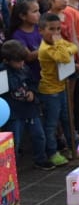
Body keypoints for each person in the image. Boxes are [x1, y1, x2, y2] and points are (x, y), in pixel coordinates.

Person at [1, 40, 51, 170]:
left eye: (23, 60)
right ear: (7, 60)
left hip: (30, 109)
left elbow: (33, 82)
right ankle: (10, 166)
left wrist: (32, 92)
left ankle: (40, 159)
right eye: (18, 61)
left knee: (39, 136)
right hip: (13, 112)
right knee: (14, 141)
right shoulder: (2, 72)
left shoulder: (25, 68)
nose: (22, 64)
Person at [38, 12, 78, 167]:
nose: (55, 34)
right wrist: (61, 43)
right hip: (50, 92)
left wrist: (63, 45)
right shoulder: (46, 49)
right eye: (51, 30)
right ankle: (52, 152)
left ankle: (72, 147)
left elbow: (74, 46)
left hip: (61, 87)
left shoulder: (56, 44)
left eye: (58, 30)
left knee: (68, 119)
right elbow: (65, 57)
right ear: (41, 31)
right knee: (52, 123)